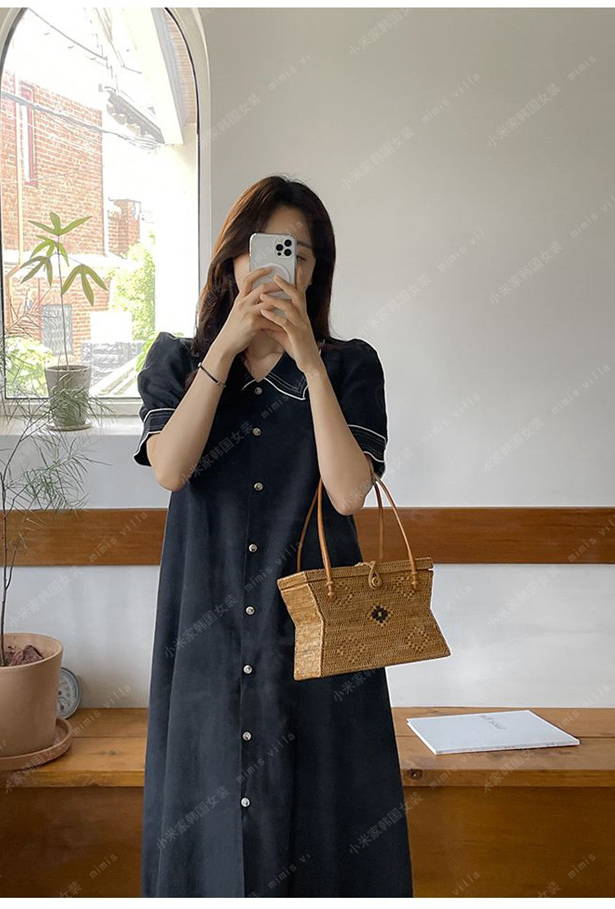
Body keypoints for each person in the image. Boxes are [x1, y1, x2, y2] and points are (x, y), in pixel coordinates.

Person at [133, 175, 413, 897]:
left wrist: (310, 361)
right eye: (265, 249)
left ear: (316, 273)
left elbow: (348, 491)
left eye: (302, 255)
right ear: (233, 259)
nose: (283, 267)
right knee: (207, 828)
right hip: (210, 639)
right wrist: (226, 347)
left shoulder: (350, 365)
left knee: (327, 826)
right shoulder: (177, 361)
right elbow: (171, 468)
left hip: (319, 644)